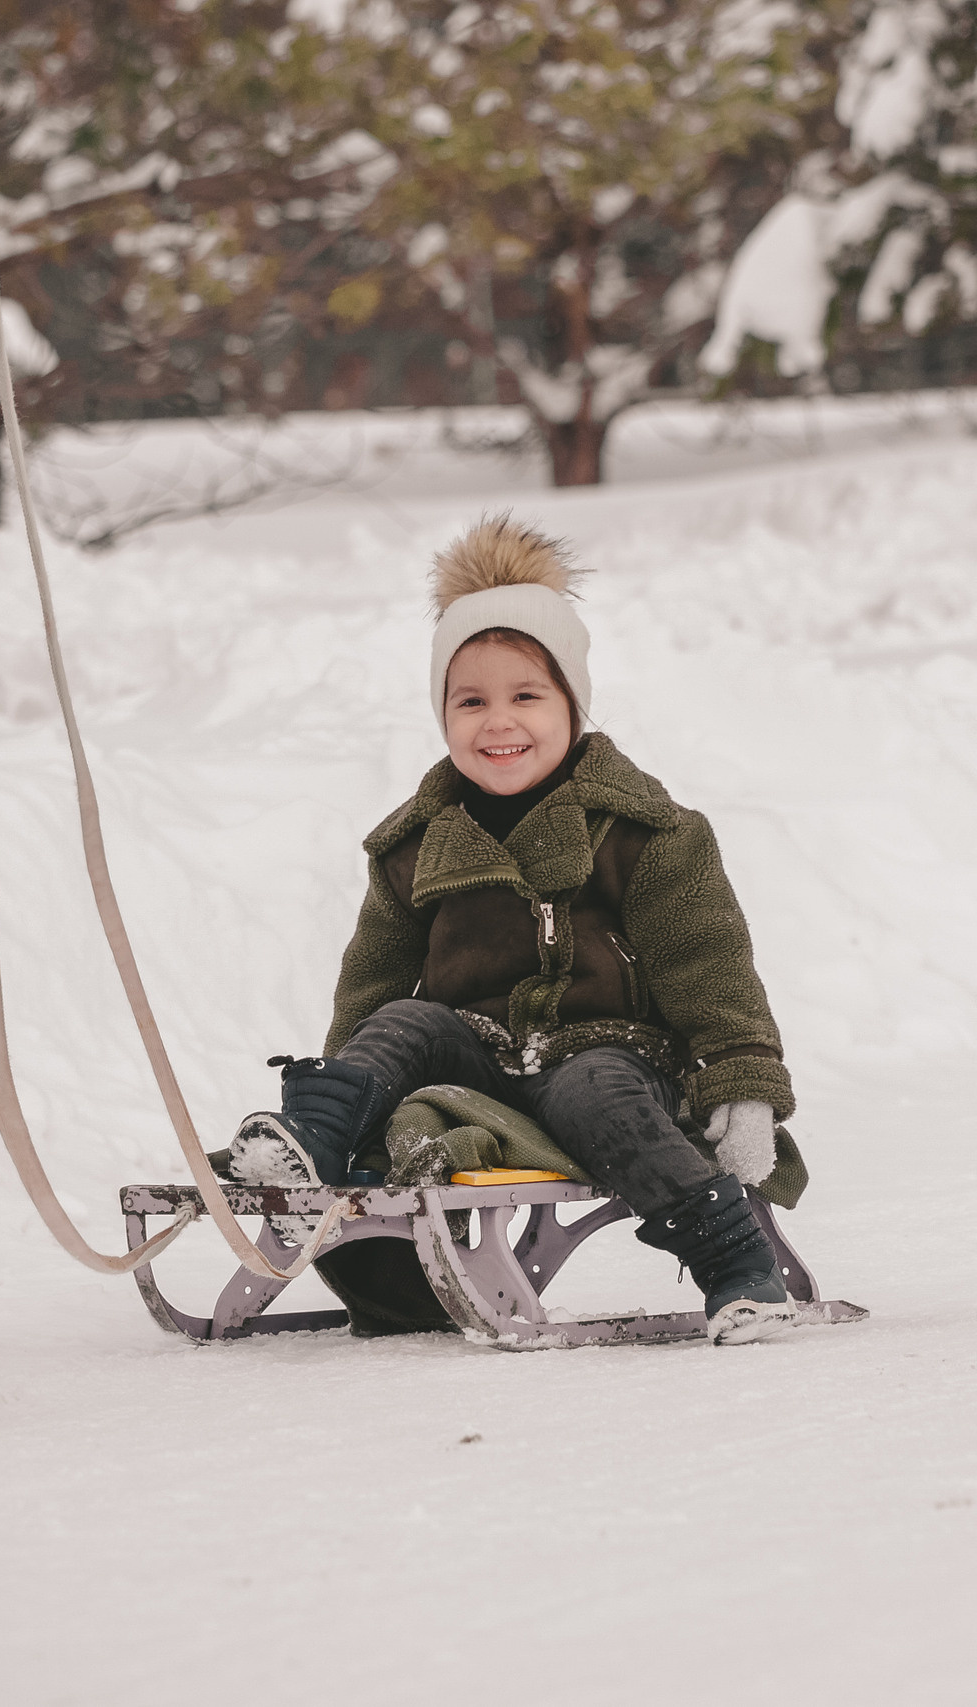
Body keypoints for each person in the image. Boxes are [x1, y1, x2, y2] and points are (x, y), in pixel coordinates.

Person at [230, 516, 802, 1345]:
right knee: (403, 1022)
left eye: (526, 695)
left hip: (614, 1056)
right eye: (471, 701)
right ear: (443, 714)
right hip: (478, 1056)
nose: (498, 723)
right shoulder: (414, 846)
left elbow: (707, 963)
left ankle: (732, 1259)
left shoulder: (644, 830)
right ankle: (314, 1150)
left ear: (572, 702)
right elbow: (372, 990)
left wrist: (743, 1081)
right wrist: (361, 1091)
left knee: (592, 1084)